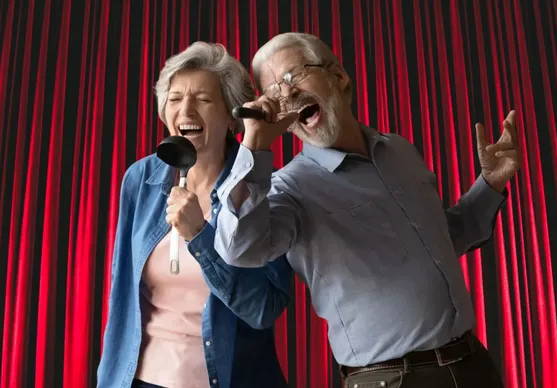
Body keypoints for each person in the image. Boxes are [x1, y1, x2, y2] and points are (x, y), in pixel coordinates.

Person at [213, 32, 522, 388]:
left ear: (338, 76)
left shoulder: (399, 151)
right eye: (273, 91)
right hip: (391, 380)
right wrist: (254, 146)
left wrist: (490, 184)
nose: (287, 94)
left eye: (292, 76)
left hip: (472, 365)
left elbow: (443, 240)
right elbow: (238, 247)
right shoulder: (289, 188)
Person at [97, 42, 292, 388]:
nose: (185, 110)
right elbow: (121, 296)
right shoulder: (141, 178)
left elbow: (262, 309)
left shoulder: (263, 187)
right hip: (139, 380)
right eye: (175, 99)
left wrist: (199, 235)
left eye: (202, 99)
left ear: (231, 116)